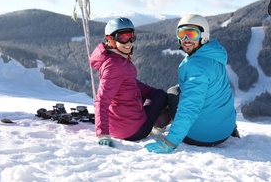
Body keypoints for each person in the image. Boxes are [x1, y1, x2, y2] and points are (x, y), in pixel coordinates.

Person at [145, 14, 239, 154]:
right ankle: (230, 127)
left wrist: (171, 142)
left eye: (192, 34)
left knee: (173, 92)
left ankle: (160, 124)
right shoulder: (214, 55)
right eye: (182, 34)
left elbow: (189, 107)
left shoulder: (196, 67)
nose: (186, 39)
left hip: (201, 137)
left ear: (203, 35)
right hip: (225, 130)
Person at [90, 17, 170, 147]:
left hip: (117, 127)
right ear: (110, 38)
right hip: (135, 132)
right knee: (160, 95)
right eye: (123, 37)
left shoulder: (114, 59)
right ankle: (159, 125)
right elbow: (101, 100)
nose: (129, 42)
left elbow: (128, 82)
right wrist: (102, 134)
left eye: (131, 36)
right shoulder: (115, 65)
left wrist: (151, 92)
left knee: (156, 94)